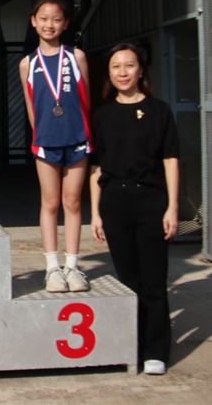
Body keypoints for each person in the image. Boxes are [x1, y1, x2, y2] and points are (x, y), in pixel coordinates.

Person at [89, 43, 179, 376]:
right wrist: (95, 213)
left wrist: (172, 207)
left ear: (141, 70)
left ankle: (156, 350)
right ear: (109, 73)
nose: (123, 72)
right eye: (116, 67)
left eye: (129, 65)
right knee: (128, 280)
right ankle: (132, 345)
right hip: (114, 202)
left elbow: (170, 160)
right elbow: (96, 168)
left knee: (153, 280)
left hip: (150, 201)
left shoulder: (160, 111)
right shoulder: (102, 115)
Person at [19, 0, 92, 293]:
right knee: (49, 203)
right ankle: (52, 268)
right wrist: (42, 135)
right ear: (33, 21)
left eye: (56, 19)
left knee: (72, 202)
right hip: (46, 142)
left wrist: (82, 131)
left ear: (65, 24)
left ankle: (72, 266)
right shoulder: (27, 63)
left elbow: (86, 99)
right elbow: (31, 108)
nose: (50, 24)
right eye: (44, 18)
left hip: (76, 138)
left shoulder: (77, 57)